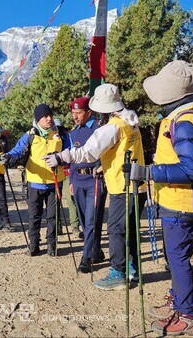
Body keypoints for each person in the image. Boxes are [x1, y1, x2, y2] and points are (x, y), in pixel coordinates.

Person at [128, 60, 193, 335]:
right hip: (176, 202)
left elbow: (190, 169)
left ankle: (188, 316)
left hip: (182, 204)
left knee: (177, 259)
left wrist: (149, 172)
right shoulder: (182, 118)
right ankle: (179, 302)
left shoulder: (186, 122)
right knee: (175, 257)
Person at [43, 84, 145, 287]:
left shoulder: (114, 126)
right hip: (137, 183)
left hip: (122, 185)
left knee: (116, 229)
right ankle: (133, 268)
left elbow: (88, 151)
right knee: (130, 229)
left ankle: (118, 272)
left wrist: (61, 157)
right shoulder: (131, 122)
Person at [0, 104, 69, 256]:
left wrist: (62, 161)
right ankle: (34, 245)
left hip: (54, 182)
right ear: (38, 119)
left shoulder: (61, 133)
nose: (49, 118)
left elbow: (70, 152)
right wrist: (7, 157)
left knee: (53, 216)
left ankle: (52, 245)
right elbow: (17, 151)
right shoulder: (30, 135)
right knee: (34, 216)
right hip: (34, 182)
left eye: (50, 115)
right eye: (45, 116)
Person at [66, 96, 105, 273]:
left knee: (91, 220)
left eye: (79, 112)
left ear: (89, 112)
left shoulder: (100, 129)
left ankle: (86, 257)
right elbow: (73, 159)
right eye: (73, 113)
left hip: (95, 180)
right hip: (79, 180)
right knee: (84, 220)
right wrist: (72, 180)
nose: (75, 116)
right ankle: (96, 251)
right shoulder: (74, 132)